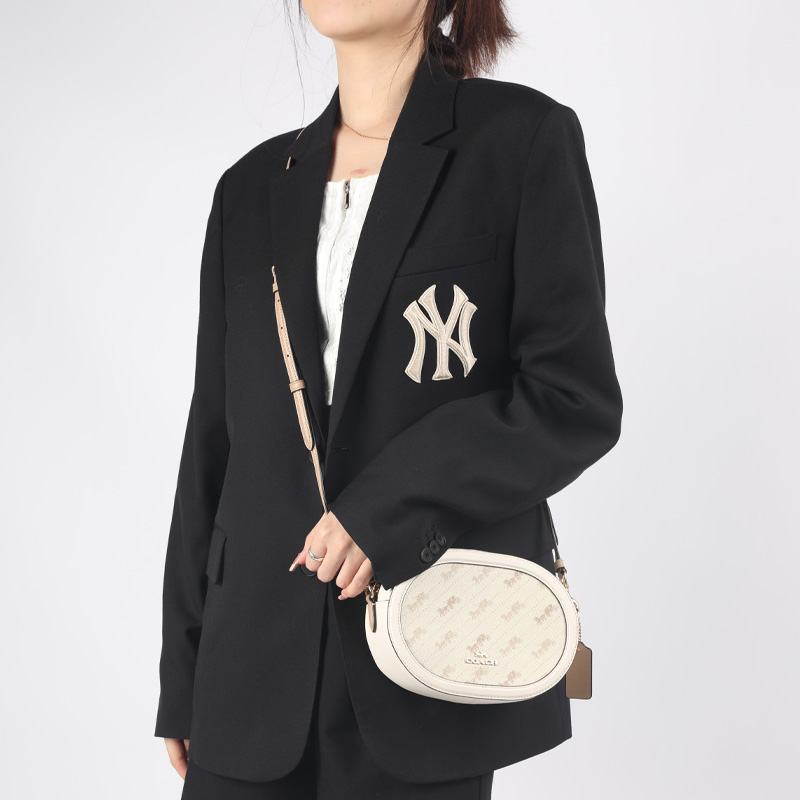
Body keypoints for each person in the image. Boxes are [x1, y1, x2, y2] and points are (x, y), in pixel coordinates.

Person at [155, 0, 623, 797]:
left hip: (425, 663)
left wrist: (387, 509)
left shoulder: (519, 142)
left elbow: (570, 398)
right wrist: (184, 668)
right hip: (245, 678)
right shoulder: (251, 186)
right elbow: (215, 442)